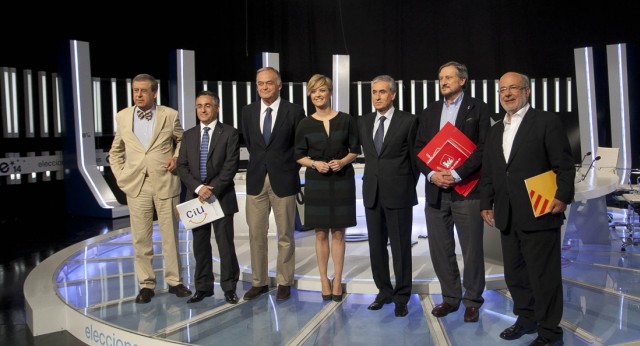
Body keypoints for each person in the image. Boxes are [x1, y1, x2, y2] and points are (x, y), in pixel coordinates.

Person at [480, 72, 574, 346]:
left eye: (513, 88)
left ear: (527, 91)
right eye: (502, 90)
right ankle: (526, 318)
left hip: (541, 210)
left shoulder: (545, 121)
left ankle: (549, 332)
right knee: (516, 274)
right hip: (508, 215)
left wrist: (562, 196)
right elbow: (490, 172)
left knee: (543, 276)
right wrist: (486, 202)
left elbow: (564, 165)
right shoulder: (496, 129)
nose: (507, 94)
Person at [414, 61, 490, 323]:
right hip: (436, 190)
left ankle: (472, 300)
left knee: (471, 249)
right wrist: (433, 174)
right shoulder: (429, 111)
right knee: (439, 247)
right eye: (441, 78)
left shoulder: (478, 108)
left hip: (468, 190)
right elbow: (419, 149)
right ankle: (450, 298)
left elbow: (483, 148)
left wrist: (457, 174)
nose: (443, 81)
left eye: (448, 77)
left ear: (463, 80)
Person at [109, 73, 192, 303]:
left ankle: (175, 281)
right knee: (141, 238)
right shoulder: (123, 117)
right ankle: (146, 285)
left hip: (165, 181)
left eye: (143, 91)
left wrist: (176, 157)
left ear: (154, 93)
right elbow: (115, 152)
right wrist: (121, 175)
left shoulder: (169, 115)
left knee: (170, 236)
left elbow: (183, 139)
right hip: (137, 185)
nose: (138, 95)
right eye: (135, 90)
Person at [241, 67, 306, 301]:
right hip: (256, 179)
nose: (264, 87)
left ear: (279, 85)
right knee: (256, 234)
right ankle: (258, 282)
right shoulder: (247, 111)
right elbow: (250, 144)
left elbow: (300, 146)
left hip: (284, 179)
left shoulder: (295, 111)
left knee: (285, 234)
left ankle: (284, 281)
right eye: (260, 84)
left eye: (269, 83)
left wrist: (288, 169)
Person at [294, 74, 360, 302]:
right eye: (314, 91)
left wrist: (342, 161)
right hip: (317, 182)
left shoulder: (346, 120)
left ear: (330, 92)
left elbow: (355, 149)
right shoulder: (304, 123)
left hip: (342, 181)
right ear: (309, 94)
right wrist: (314, 163)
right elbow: (298, 155)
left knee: (339, 233)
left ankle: (338, 279)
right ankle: (324, 279)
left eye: (322, 90)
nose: (318, 95)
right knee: (321, 233)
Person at [358, 75, 419, 317]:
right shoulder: (363, 122)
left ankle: (402, 296)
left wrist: (404, 185)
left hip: (399, 193)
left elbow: (415, 162)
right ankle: (383, 290)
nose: (377, 96)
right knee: (376, 246)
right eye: (374, 92)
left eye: (382, 92)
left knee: (401, 247)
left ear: (393, 94)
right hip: (372, 193)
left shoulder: (408, 121)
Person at [176, 91, 241, 304]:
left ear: (217, 107)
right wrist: (198, 188)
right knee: (200, 245)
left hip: (220, 196)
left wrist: (211, 189)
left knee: (225, 245)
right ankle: (203, 287)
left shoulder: (230, 133)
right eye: (199, 106)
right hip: (196, 198)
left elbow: (231, 165)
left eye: (207, 106)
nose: (202, 110)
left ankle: (229, 287)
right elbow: (182, 166)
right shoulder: (189, 135)